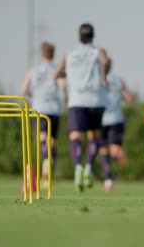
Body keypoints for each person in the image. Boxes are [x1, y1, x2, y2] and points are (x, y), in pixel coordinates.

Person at [53, 23, 110, 192]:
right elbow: (105, 62)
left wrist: (69, 74)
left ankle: (78, 166)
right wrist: (104, 76)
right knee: (94, 135)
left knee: (75, 136)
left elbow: (56, 74)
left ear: (78, 36)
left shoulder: (69, 53)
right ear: (93, 36)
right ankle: (89, 167)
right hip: (95, 99)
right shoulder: (98, 51)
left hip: (76, 99)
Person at [21, 42, 64, 188]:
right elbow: (63, 87)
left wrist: (32, 94)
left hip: (38, 108)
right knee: (52, 139)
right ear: (54, 54)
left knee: (42, 137)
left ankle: (45, 159)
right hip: (54, 109)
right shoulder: (57, 69)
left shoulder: (34, 70)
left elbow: (24, 89)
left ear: (42, 54)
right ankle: (48, 163)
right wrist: (66, 98)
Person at [99, 59, 133, 192]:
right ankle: (120, 155)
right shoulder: (119, 79)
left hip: (101, 119)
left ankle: (108, 181)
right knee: (114, 149)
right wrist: (119, 97)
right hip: (116, 118)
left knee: (103, 151)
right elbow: (129, 98)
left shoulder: (97, 79)